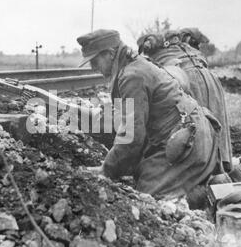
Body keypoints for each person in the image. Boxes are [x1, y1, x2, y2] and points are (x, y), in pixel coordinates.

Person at [78, 29, 222, 200]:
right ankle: (203, 184)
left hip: (189, 142)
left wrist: (106, 170)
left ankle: (204, 197)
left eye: (95, 61)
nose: (93, 67)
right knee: (139, 174)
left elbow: (132, 137)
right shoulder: (131, 66)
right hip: (189, 132)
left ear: (110, 54)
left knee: (147, 197)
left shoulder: (132, 76)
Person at [137, 30, 233, 173]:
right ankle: (220, 168)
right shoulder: (185, 48)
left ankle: (200, 171)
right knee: (215, 123)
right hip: (211, 80)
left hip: (189, 79)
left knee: (197, 125)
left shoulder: (160, 57)